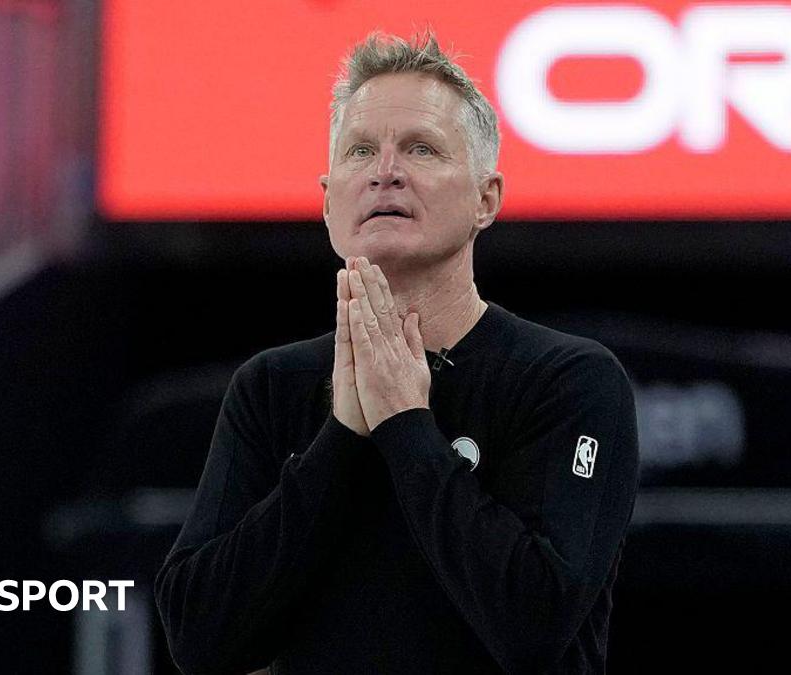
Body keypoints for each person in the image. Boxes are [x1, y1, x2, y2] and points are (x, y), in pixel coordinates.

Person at [155, 31, 639, 674]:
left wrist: (406, 424)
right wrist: (341, 437)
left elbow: (534, 623)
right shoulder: (272, 385)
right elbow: (197, 638)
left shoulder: (568, 380)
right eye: (361, 151)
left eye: (421, 148)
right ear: (327, 202)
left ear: (486, 200)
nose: (385, 171)